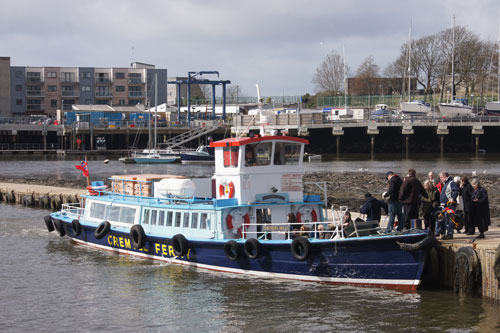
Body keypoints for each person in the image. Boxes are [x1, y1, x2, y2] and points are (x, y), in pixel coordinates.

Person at [437, 171, 459, 240]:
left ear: (444, 177)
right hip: (444, 205)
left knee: (449, 220)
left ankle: (449, 234)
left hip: (449, 205)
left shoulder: (451, 182)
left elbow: (456, 191)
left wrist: (453, 198)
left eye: (441, 177)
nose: (440, 179)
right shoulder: (446, 183)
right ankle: (444, 233)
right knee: (444, 220)